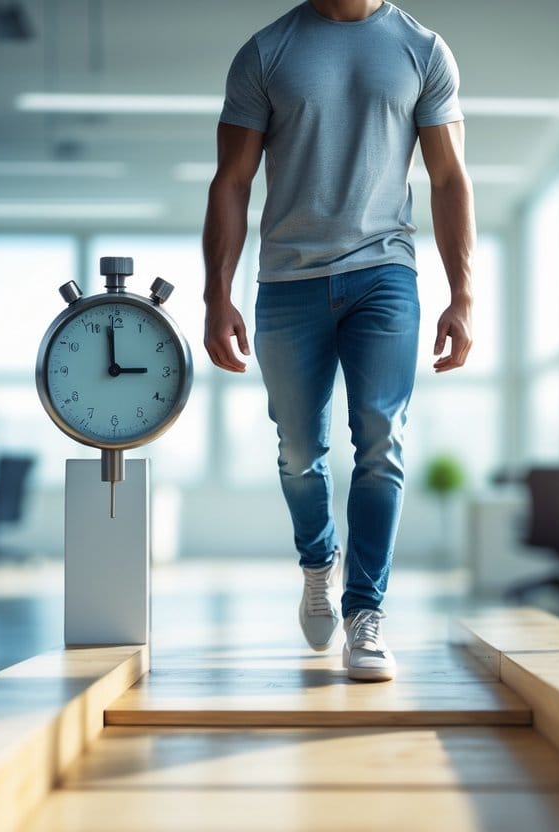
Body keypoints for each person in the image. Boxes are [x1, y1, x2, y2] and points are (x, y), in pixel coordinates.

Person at [202, 0, 475, 682]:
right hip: (289, 281)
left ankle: (365, 614)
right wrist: (216, 295)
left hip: (384, 273)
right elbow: (231, 180)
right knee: (298, 450)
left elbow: (448, 178)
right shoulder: (266, 52)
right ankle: (317, 561)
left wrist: (462, 295)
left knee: (380, 440)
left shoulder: (423, 49)